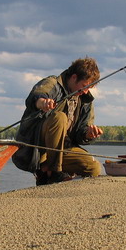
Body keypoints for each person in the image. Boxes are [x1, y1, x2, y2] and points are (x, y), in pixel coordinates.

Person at [12, 57, 103, 185]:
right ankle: (53, 172)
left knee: (93, 168)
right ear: (74, 77)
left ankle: (48, 171)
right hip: (37, 148)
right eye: (84, 86)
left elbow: (79, 135)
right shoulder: (52, 83)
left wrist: (88, 134)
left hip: (62, 149)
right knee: (60, 117)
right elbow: (34, 97)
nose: (85, 91)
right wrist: (42, 102)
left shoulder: (85, 100)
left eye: (89, 88)